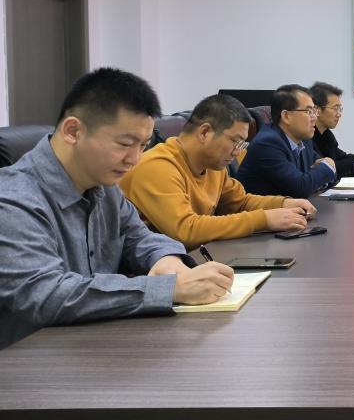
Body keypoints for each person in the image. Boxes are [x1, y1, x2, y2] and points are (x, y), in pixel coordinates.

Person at [0, 68, 234, 349]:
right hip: (31, 362)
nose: (134, 159)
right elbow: (46, 295)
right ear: (73, 131)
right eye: (125, 144)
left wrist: (167, 260)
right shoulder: (13, 200)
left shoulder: (104, 184)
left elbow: (138, 237)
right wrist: (167, 289)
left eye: (143, 145)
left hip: (97, 347)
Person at [121, 94, 317, 251]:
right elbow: (185, 229)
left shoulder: (213, 166)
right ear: (205, 132)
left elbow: (240, 202)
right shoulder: (157, 166)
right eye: (235, 141)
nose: (238, 152)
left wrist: (283, 203)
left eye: (242, 144)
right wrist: (263, 219)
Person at [236, 84, 336, 198]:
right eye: (309, 111)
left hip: (292, 207)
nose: (315, 117)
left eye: (314, 111)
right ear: (286, 116)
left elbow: (324, 174)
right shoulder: (267, 144)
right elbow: (301, 188)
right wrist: (328, 164)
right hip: (263, 208)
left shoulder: (304, 140)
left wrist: (324, 170)